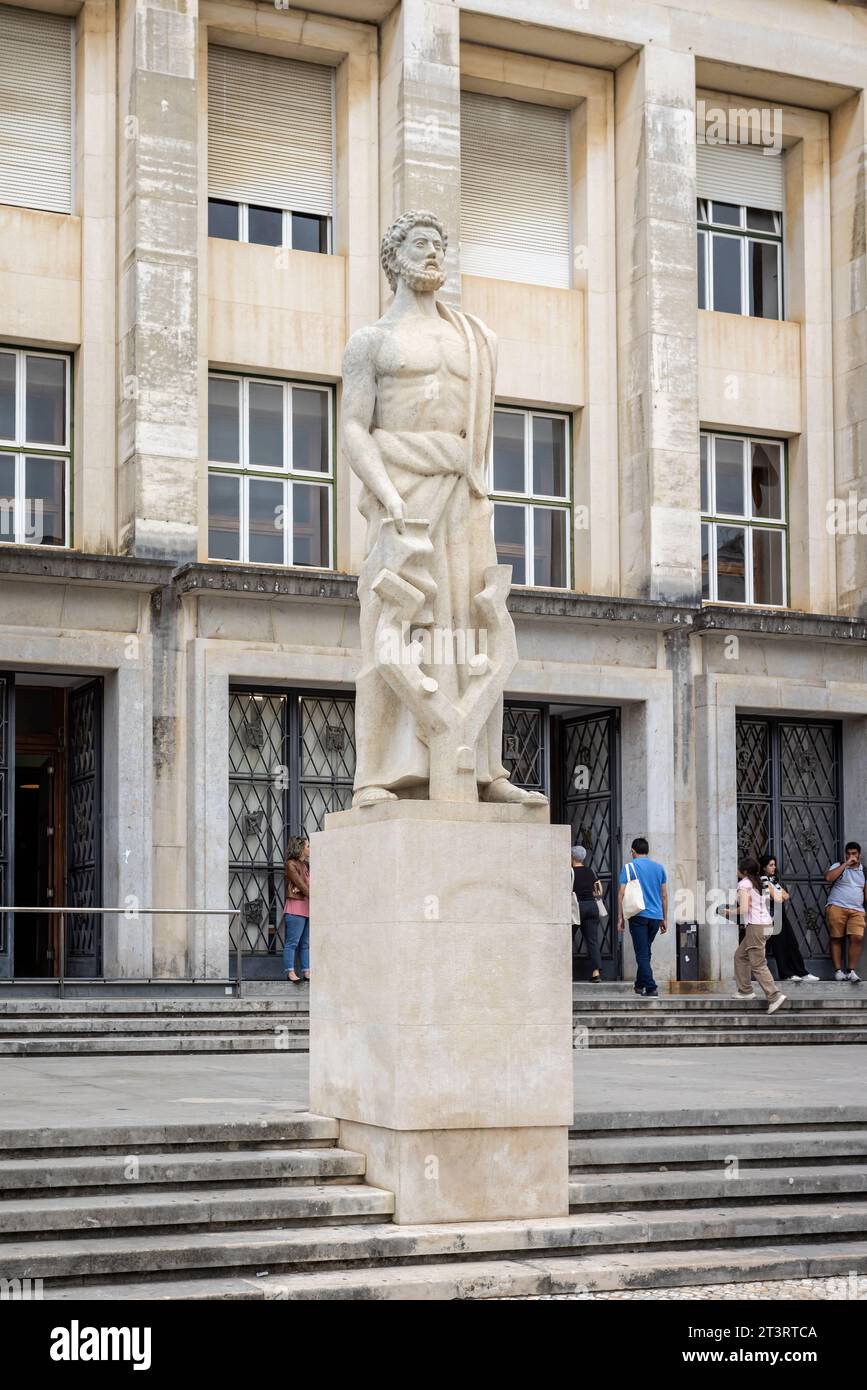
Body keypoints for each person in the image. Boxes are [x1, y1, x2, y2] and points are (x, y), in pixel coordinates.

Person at [734, 856, 787, 1013]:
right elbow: (777, 898)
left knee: (758, 963)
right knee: (740, 956)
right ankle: (745, 990)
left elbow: (743, 910)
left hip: (756, 926)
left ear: (743, 871)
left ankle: (774, 996)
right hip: (766, 924)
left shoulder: (744, 884)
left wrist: (726, 911)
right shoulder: (760, 881)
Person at [617, 837, 667, 997]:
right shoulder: (659, 868)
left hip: (637, 915)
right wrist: (664, 918)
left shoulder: (629, 867)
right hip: (656, 916)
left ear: (632, 851)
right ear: (647, 851)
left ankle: (651, 987)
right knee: (645, 951)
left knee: (642, 953)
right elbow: (664, 895)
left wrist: (620, 917)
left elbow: (621, 893)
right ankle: (639, 984)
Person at [759, 852, 819, 983]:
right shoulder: (763, 880)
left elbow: (786, 895)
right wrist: (778, 895)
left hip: (781, 915)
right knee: (779, 946)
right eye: (771, 865)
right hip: (771, 916)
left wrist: (778, 894)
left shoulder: (773, 880)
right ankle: (786, 974)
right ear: (764, 867)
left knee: (792, 943)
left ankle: (802, 972)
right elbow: (776, 897)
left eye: (774, 865)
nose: (774, 867)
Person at [825, 841, 865, 983]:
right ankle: (838, 971)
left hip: (857, 910)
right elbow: (829, 878)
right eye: (848, 854)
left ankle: (851, 971)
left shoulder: (864, 871)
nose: (851, 856)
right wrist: (846, 864)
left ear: (859, 854)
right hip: (837, 906)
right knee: (836, 938)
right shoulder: (838, 866)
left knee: (857, 938)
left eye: (854, 854)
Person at [571, 845, 604, 983]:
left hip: (577, 907)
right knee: (592, 941)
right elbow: (599, 891)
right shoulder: (590, 871)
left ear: (572, 857)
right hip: (592, 906)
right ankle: (595, 972)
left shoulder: (570, 872)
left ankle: (567, 972)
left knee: (566, 939)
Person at [283, 835, 310, 984]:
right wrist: (313, 894)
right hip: (295, 908)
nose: (310, 849)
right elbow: (301, 885)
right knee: (292, 942)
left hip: (307, 907)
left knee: (305, 943)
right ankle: (290, 972)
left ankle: (307, 971)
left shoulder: (305, 865)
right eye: (308, 846)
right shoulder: (291, 864)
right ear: (300, 847)